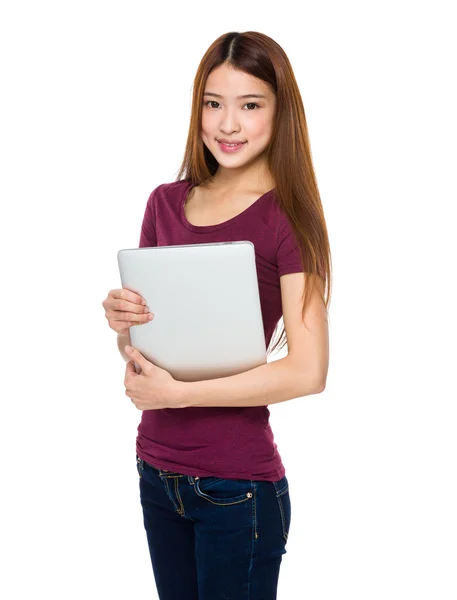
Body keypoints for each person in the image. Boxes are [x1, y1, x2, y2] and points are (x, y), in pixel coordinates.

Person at [102, 30, 331, 600]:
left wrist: (178, 396)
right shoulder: (164, 203)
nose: (228, 124)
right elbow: (150, 354)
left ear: (281, 114)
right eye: (213, 103)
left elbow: (308, 372)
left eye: (250, 105)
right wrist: (123, 324)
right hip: (156, 470)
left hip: (237, 486)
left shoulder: (287, 219)